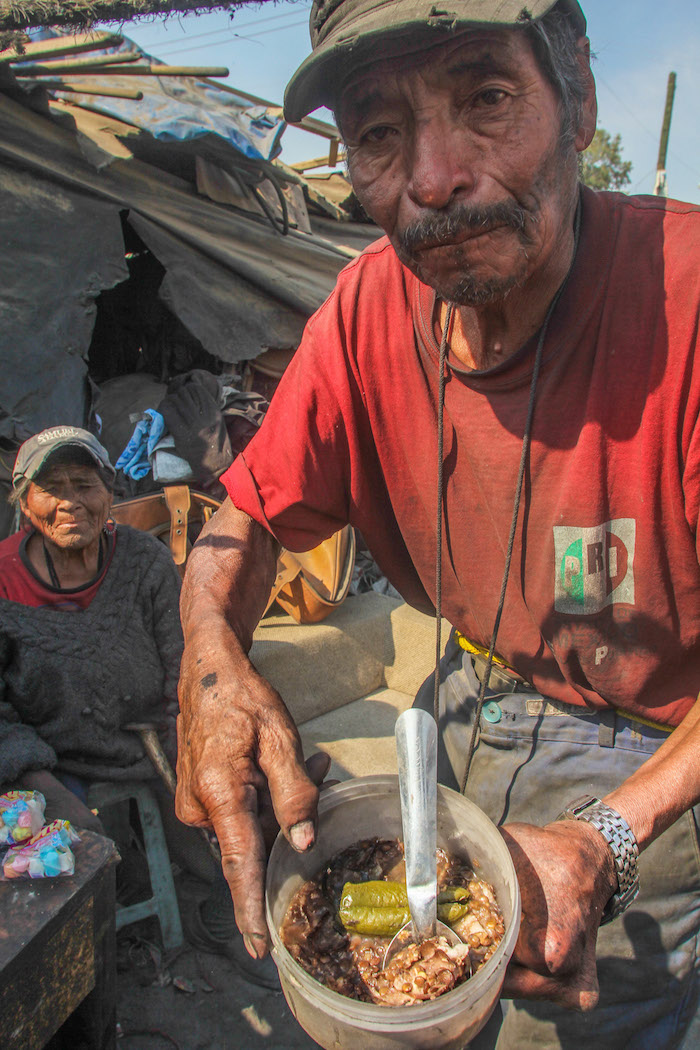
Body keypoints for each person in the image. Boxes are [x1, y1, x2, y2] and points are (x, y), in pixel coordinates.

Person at [174, 1, 700, 1045]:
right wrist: (209, 658)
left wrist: (610, 834)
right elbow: (247, 510)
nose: (431, 179)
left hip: (653, 756)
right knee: (415, 992)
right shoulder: (365, 307)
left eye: (486, 99)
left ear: (577, 96)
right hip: (459, 704)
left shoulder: (684, 298)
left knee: (574, 1022)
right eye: (378, 133)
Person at [0, 425, 309, 988]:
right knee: (56, 856)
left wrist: (195, 740)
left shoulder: (140, 560)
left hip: (150, 734)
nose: (71, 501)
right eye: (52, 487)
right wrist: (46, 782)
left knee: (238, 794)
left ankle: (228, 914)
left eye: (85, 484)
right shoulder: (1, 582)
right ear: (24, 502)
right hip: (52, 756)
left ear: (110, 495)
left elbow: (185, 663)